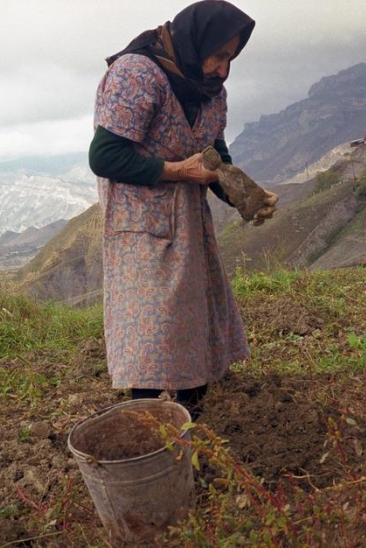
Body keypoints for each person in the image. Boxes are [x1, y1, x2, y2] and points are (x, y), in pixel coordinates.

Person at [89, 0, 276, 419]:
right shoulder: (138, 76)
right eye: (219, 54)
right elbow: (104, 156)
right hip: (141, 224)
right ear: (197, 41)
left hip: (188, 221)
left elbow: (213, 155)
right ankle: (149, 425)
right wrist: (177, 171)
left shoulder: (209, 91)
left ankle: (195, 416)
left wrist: (244, 195)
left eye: (231, 58)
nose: (223, 69)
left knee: (192, 316)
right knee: (151, 328)